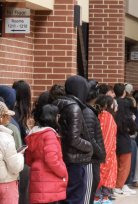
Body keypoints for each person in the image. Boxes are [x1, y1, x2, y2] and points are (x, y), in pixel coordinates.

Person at [53, 76, 93, 204]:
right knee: (75, 198)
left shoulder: (56, 103)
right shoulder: (74, 108)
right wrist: (90, 146)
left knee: (64, 197)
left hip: (61, 157)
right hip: (75, 160)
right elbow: (74, 138)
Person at [26, 103, 68, 204]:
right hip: (50, 180)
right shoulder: (49, 135)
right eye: (58, 116)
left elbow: (28, 160)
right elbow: (51, 160)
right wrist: (63, 172)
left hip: (37, 176)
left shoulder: (34, 134)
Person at [0, 104, 25, 203]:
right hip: (6, 183)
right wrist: (20, 156)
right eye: (6, 115)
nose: (9, 118)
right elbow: (15, 167)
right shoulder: (5, 137)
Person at [83, 80, 106, 204]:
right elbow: (90, 138)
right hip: (90, 159)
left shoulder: (89, 110)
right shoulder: (87, 111)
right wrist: (100, 151)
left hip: (91, 158)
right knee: (88, 192)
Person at [95, 95, 117, 204]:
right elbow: (113, 132)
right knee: (108, 173)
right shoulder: (108, 116)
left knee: (97, 173)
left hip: (96, 150)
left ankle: (95, 197)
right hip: (109, 150)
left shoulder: (94, 115)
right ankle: (105, 198)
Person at [113, 99, 137, 196]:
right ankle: (119, 186)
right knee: (125, 167)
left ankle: (116, 185)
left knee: (116, 166)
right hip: (125, 143)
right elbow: (133, 131)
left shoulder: (113, 116)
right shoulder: (128, 117)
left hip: (115, 143)